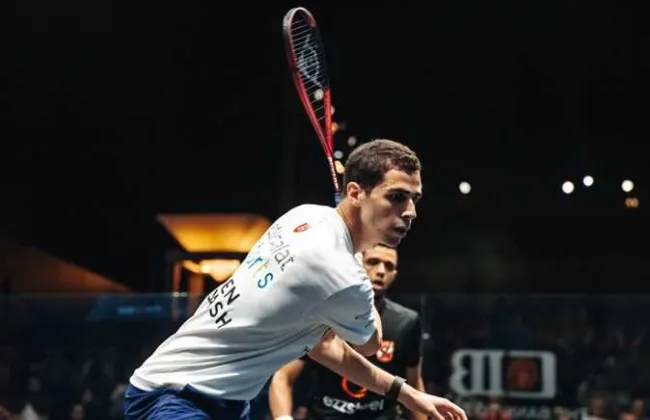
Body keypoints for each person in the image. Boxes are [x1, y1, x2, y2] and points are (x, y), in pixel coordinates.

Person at [123, 139, 467, 420]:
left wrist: (408, 395)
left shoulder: (304, 215)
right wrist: (358, 266)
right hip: (175, 396)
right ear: (355, 192)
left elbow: (325, 347)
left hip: (223, 400)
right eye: (396, 196)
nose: (410, 211)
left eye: (414, 199)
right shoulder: (343, 274)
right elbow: (370, 344)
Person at [268, 244, 426, 420]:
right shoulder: (323, 316)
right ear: (357, 265)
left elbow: (414, 386)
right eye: (373, 262)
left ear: (394, 275)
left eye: (389, 266)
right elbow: (283, 376)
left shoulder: (406, 322)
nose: (381, 271)